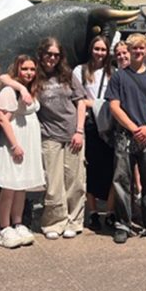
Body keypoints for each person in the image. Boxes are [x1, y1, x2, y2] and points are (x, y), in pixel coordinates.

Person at [105, 33, 146, 244]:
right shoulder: (118, 77)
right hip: (126, 135)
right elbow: (114, 106)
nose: (138, 52)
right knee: (122, 180)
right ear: (128, 51)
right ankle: (123, 223)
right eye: (134, 49)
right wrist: (134, 128)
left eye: (142, 48)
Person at [35, 37, 88, 240]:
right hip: (49, 135)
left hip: (73, 133)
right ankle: (54, 222)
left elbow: (81, 103)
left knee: (75, 180)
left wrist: (79, 131)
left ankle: (74, 221)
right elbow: (6, 78)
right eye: (49, 54)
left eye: (56, 55)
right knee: (53, 182)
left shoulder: (68, 75)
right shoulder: (35, 77)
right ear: (41, 54)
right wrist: (22, 88)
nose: (52, 58)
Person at [0, 55, 44, 248]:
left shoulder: (32, 89)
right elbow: (3, 119)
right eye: (25, 69)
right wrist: (14, 145)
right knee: (9, 187)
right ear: (17, 69)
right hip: (14, 142)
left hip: (28, 141)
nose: (29, 73)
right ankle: (4, 227)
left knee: (21, 186)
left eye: (32, 69)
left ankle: (18, 222)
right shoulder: (10, 91)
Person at [73, 36, 115, 231]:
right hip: (89, 123)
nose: (99, 53)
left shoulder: (112, 72)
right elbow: (77, 98)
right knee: (89, 167)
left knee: (110, 168)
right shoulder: (79, 71)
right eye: (96, 49)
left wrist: (91, 103)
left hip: (106, 124)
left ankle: (109, 211)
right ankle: (92, 212)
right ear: (91, 49)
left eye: (103, 50)